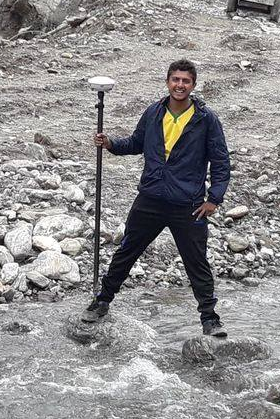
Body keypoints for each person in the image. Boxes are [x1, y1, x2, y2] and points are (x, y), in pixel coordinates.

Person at [81, 59, 231, 336]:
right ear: (168, 82)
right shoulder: (153, 112)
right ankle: (102, 300)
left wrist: (214, 199)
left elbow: (221, 161)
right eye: (176, 80)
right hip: (150, 198)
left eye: (185, 81)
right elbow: (136, 143)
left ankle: (210, 319)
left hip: (188, 204)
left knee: (196, 262)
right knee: (127, 251)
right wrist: (111, 143)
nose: (180, 85)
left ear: (193, 85)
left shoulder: (206, 119)